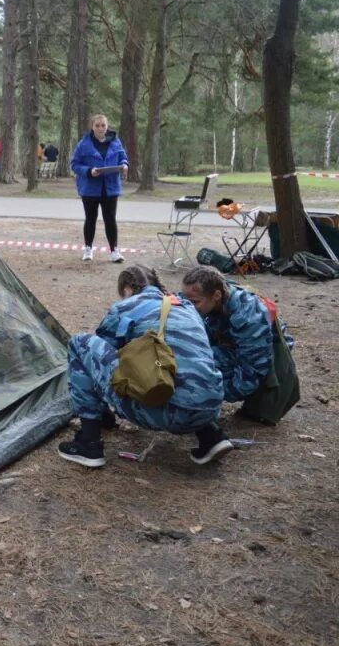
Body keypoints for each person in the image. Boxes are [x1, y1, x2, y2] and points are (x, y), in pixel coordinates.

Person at [59, 265, 228, 469]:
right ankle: (211, 436)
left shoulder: (125, 307)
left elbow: (99, 365)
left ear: (128, 290)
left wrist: (102, 411)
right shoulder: (187, 307)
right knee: (184, 366)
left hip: (165, 412)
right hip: (210, 407)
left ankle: (88, 443)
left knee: (81, 344)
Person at [180, 266, 297, 420]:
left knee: (199, 362)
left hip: (265, 359)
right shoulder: (214, 294)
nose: (189, 307)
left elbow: (253, 370)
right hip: (237, 346)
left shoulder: (246, 315)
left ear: (216, 295)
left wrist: (211, 394)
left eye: (195, 302)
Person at [70, 114, 129, 263]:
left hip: (110, 188)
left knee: (110, 219)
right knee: (91, 219)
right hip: (90, 189)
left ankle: (114, 251)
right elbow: (75, 164)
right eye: (97, 125)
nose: (101, 128)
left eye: (103, 125)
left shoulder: (115, 141)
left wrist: (125, 165)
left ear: (107, 126)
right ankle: (88, 249)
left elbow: (123, 157)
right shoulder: (84, 144)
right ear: (92, 127)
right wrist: (89, 171)